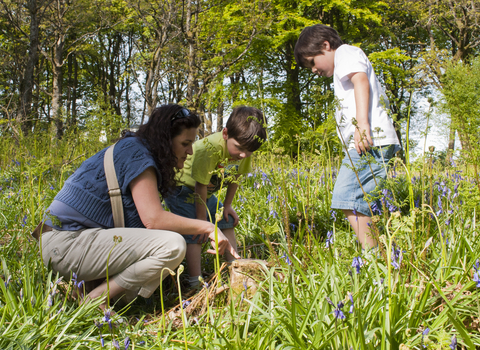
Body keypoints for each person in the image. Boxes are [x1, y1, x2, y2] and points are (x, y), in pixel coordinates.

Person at [37, 104, 239, 310]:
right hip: (65, 244)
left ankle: (83, 290)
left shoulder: (136, 148)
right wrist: (206, 227)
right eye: (185, 143)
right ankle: (94, 300)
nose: (190, 151)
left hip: (71, 241)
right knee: (172, 246)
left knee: (146, 283)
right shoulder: (138, 156)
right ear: (165, 140)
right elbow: (154, 219)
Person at [294, 24, 401, 249]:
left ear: (326, 46)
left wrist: (362, 124)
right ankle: (379, 256)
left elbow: (360, 80)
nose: (313, 70)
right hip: (371, 141)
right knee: (359, 201)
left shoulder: (345, 53)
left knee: (346, 196)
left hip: (370, 140)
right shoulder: (342, 62)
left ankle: (374, 257)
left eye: (312, 62)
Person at [164, 106, 267, 287]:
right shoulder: (208, 149)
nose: (243, 155)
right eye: (239, 148)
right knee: (195, 231)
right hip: (182, 190)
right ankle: (195, 281)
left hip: (207, 193)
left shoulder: (245, 150)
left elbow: (235, 178)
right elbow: (200, 187)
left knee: (226, 220)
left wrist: (227, 206)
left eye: (248, 152)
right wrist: (203, 222)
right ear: (225, 133)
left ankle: (236, 267)